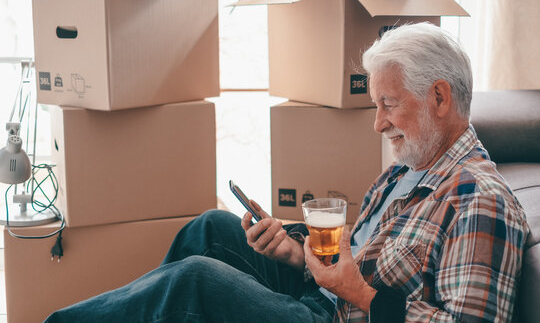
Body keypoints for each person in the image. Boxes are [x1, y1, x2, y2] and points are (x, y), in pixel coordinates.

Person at [44, 23, 529, 323]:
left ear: (439, 98)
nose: (378, 122)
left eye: (388, 104)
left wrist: (353, 290)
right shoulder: (407, 170)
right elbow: (349, 256)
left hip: (338, 315)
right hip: (325, 295)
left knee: (193, 281)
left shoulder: (479, 200)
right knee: (211, 228)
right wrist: (296, 252)